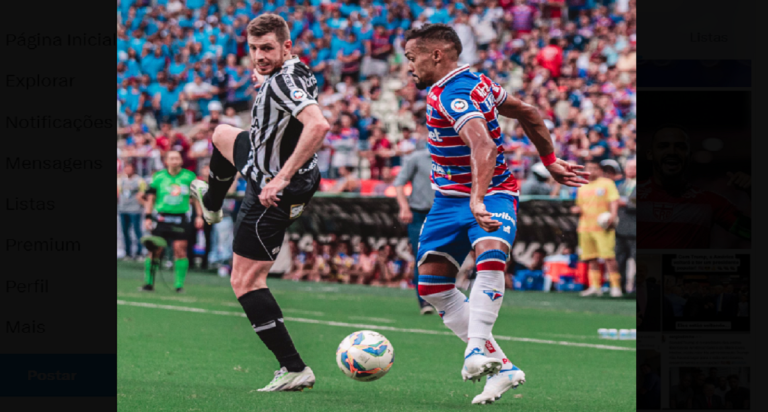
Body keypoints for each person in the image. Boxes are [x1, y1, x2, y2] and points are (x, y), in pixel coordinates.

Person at [403, 24, 588, 405]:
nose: (409, 66)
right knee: (432, 288)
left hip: (491, 194)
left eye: (412, 57)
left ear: (436, 54)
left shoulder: (452, 94)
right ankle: (503, 368)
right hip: (447, 200)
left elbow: (484, 145)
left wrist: (477, 199)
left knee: (490, 254)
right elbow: (528, 112)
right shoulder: (475, 82)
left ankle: (475, 349)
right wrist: (550, 160)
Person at [189, 14, 328, 392]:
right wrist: (265, 78)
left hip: (273, 188)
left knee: (246, 280)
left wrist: (280, 178)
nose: (258, 56)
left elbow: (318, 125)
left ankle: (294, 368)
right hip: (271, 167)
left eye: (267, 48)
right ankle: (213, 202)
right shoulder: (297, 71)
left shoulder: (283, 80)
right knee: (221, 133)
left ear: (287, 47)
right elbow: (289, 89)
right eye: (253, 49)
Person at [637, 125, 751, 248]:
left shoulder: (709, 201)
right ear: (650, 154)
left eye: (680, 147)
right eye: (663, 146)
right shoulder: (630, 197)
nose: (672, 152)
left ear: (689, 156)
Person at [141, 151, 203, 292]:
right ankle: (149, 283)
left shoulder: (189, 177)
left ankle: (179, 285)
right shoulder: (159, 177)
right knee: (155, 250)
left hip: (181, 218)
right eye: (171, 158)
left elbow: (196, 199)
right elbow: (150, 198)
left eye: (177, 158)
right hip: (162, 218)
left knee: (180, 250)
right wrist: (148, 217)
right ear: (166, 161)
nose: (175, 161)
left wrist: (199, 216)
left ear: (181, 161)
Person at [393, 145, 435, 314]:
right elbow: (399, 183)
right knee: (422, 257)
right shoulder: (417, 158)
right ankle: (424, 301)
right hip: (419, 214)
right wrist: (404, 207)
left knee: (446, 256)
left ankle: (444, 298)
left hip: (443, 214)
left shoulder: (452, 157)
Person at [571, 160, 622, 297]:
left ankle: (615, 286)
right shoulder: (581, 186)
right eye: (589, 168)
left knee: (608, 257)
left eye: (594, 168)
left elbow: (614, 200)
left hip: (603, 227)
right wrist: (576, 209)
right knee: (590, 258)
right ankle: (595, 286)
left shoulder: (607, 183)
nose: (591, 171)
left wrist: (613, 215)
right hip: (585, 227)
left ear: (599, 170)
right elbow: (580, 205)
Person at [118, 163, 147, 260]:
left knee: (137, 231)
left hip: (135, 209)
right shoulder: (121, 180)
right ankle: (127, 252)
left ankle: (139, 252)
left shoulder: (139, 180)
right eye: (126, 168)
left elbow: (143, 193)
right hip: (123, 209)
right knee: (125, 232)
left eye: (130, 168)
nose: (128, 170)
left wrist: (143, 203)